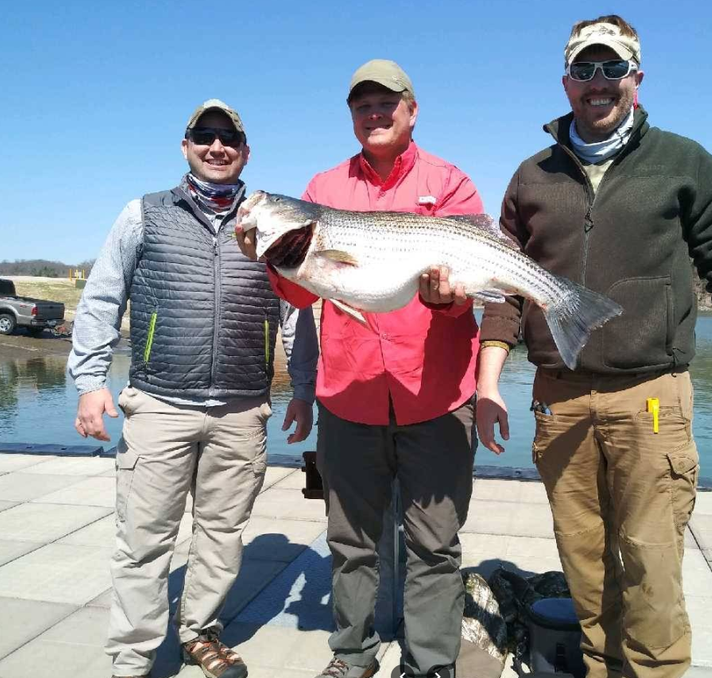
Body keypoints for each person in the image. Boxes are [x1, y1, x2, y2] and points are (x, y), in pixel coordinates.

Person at [477, 16, 712, 678]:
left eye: (612, 68)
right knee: (584, 568)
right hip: (557, 402)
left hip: (650, 401)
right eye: (584, 70)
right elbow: (504, 292)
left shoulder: (685, 162)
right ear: (566, 81)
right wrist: (485, 386)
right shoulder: (531, 176)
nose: (598, 82)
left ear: (636, 79)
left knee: (649, 568)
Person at [237, 59, 482, 678]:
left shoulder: (449, 182)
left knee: (435, 545)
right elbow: (300, 296)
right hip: (348, 398)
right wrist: (274, 259)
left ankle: (432, 664)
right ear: (351, 117)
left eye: (386, 102)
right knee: (350, 545)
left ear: (411, 109)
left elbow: (468, 302)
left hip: (438, 397)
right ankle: (352, 656)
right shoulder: (322, 190)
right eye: (361, 105)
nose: (374, 113)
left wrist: (449, 298)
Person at [68, 99, 318, 678]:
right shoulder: (144, 213)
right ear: (185, 147)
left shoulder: (274, 220)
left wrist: (302, 389)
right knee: (143, 541)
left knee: (222, 535)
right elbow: (102, 297)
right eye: (204, 136)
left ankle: (201, 634)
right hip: (158, 405)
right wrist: (89, 381)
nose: (217, 146)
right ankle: (132, 658)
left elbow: (296, 313)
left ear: (245, 152)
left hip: (241, 410)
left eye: (228, 138)